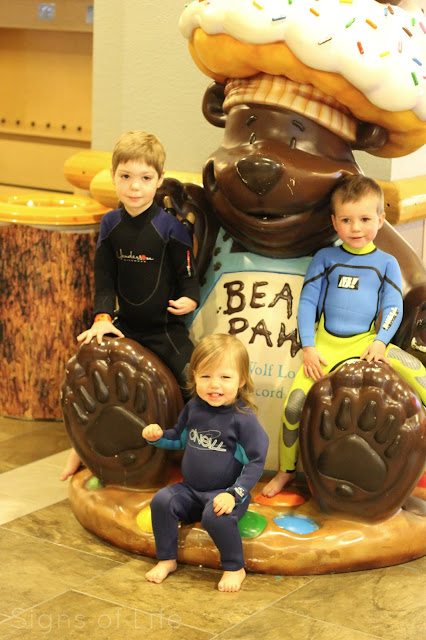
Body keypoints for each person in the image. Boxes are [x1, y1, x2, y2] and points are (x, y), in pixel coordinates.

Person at [263, 174, 426, 498]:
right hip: (324, 350)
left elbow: (393, 307)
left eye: (364, 219)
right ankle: (285, 471)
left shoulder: (386, 263)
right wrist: (309, 347)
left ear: (380, 220)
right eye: (347, 220)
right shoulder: (325, 258)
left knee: (419, 374)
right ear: (335, 221)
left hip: (366, 345)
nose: (356, 228)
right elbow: (307, 304)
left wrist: (380, 341)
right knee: (293, 408)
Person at [60, 130, 199, 481]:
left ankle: (193, 454)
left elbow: (187, 274)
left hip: (165, 329)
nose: (135, 187)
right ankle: (82, 450)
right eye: (125, 176)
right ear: (113, 177)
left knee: (194, 381)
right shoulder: (111, 224)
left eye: (145, 178)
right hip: (125, 325)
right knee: (84, 371)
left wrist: (190, 298)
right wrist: (102, 318)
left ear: (159, 180)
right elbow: (104, 277)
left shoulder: (172, 228)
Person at [142, 333, 269, 592]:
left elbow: (256, 461)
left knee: (216, 516)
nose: (214, 385)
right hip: (191, 490)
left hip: (226, 495)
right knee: (162, 501)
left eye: (225, 377)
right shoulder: (194, 408)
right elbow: (178, 438)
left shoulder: (243, 418)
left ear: (241, 380)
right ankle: (167, 559)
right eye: (206, 376)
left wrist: (234, 494)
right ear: (194, 377)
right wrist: (157, 436)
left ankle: (235, 567)